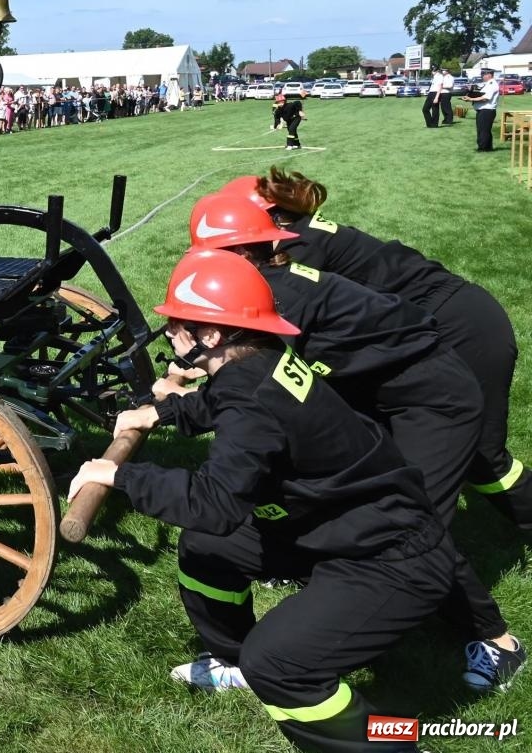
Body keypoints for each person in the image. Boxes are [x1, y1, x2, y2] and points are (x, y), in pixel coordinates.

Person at [73, 249, 456, 753]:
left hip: (390, 556)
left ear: (211, 335)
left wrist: (120, 475)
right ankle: (234, 662)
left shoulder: (250, 396)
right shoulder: (262, 359)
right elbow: (231, 397)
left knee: (279, 665)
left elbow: (214, 504)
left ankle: (393, 748)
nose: (171, 332)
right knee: (206, 548)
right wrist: (164, 415)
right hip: (339, 523)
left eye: (178, 324)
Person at [187, 193, 524, 692]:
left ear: (238, 254)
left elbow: (256, 380)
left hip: (433, 402)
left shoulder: (280, 295)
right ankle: (306, 574)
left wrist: (190, 389)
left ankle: (497, 642)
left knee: (410, 524)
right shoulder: (265, 284)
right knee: (350, 502)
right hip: (378, 396)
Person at [222, 168, 532, 528]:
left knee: (480, 456)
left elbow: (274, 329)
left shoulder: (298, 249)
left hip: (463, 328)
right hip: (427, 328)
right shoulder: (300, 236)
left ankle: (422, 541)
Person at [464, 69, 499, 152]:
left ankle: (483, 148)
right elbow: (480, 93)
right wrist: (470, 92)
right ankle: (488, 148)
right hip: (483, 110)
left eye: (483, 74)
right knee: (484, 130)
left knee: (483, 130)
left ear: (489, 75)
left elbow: (485, 98)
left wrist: (470, 99)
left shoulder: (492, 84)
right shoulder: (488, 84)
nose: (482, 76)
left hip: (486, 110)